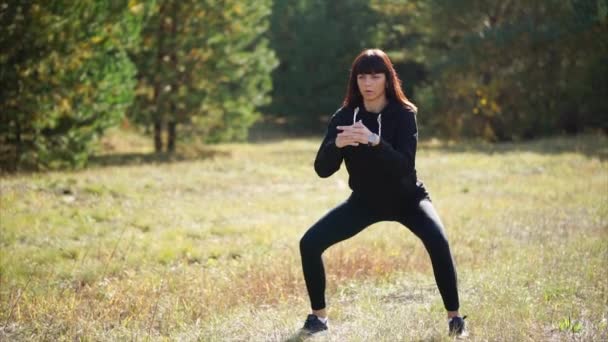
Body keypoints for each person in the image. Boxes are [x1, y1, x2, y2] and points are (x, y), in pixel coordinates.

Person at [298, 49, 467, 337]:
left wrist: (375, 142)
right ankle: (319, 318)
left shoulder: (404, 114)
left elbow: (404, 166)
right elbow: (323, 170)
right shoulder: (345, 115)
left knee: (438, 241)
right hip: (365, 202)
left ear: (387, 79)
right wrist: (336, 145)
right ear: (355, 80)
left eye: (375, 76)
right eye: (362, 76)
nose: (368, 82)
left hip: (408, 200)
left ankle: (455, 319)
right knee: (309, 244)